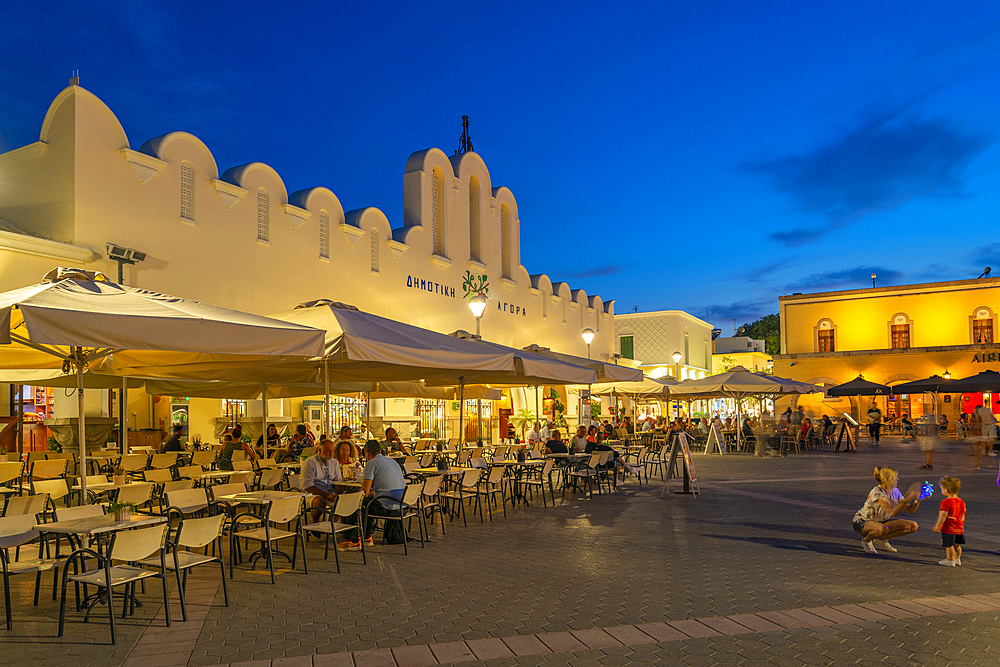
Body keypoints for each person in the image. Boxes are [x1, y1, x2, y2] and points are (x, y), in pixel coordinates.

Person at [852, 466, 921, 554]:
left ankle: (882, 540)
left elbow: (910, 510)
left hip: (880, 522)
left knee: (913, 526)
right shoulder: (877, 492)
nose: (898, 479)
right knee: (882, 529)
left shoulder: (895, 491)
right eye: (894, 478)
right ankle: (866, 541)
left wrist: (917, 500)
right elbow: (892, 511)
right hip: (862, 522)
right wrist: (908, 497)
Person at [359, 439, 406, 545]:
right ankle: (364, 535)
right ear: (380, 450)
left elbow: (364, 493)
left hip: (389, 506)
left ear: (367, 453)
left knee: (360, 503)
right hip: (403, 505)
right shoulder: (392, 461)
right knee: (368, 501)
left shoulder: (372, 463)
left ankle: (363, 537)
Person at [302, 438, 344, 525]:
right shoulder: (310, 463)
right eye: (328, 451)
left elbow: (338, 481)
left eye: (333, 452)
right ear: (320, 450)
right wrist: (326, 495)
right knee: (320, 501)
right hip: (311, 494)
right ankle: (315, 522)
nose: (331, 454)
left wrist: (336, 494)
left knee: (348, 500)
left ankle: (333, 521)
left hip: (329, 491)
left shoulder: (334, 463)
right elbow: (308, 486)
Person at [933, 476, 965, 566]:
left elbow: (943, 515)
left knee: (949, 545)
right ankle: (957, 559)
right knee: (957, 545)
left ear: (947, 490)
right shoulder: (961, 501)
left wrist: (938, 525)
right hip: (959, 527)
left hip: (949, 528)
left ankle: (950, 560)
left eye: (941, 488)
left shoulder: (946, 502)